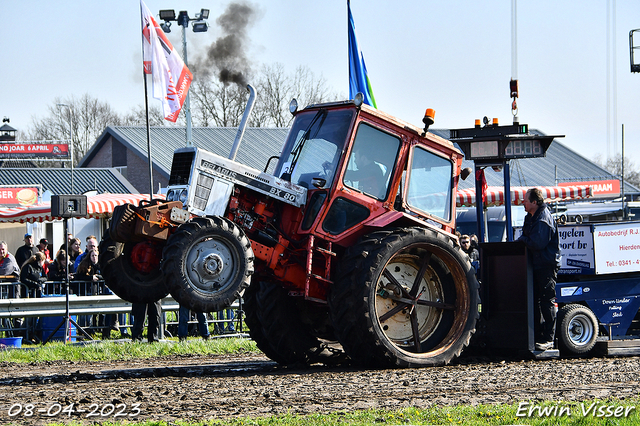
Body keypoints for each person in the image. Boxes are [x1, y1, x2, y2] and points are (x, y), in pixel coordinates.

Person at [517, 187, 560, 351]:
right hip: (536, 264)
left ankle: (548, 338)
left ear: (534, 202)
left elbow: (537, 243)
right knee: (535, 300)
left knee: (546, 301)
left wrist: (522, 239)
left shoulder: (542, 219)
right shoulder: (531, 217)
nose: (523, 202)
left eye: (526, 200)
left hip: (546, 265)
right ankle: (535, 336)